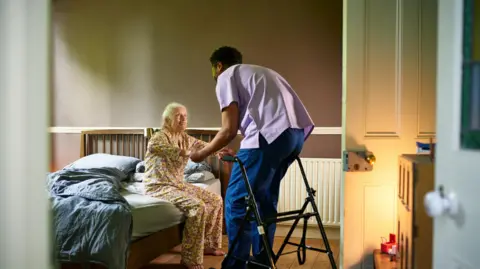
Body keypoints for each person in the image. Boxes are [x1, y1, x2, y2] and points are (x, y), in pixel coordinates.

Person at [189, 46, 315, 269]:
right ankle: (261, 262)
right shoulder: (261, 72)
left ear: (218, 65)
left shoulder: (226, 76)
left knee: (237, 200)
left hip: (269, 137)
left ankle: (235, 266)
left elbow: (228, 130)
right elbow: (267, 122)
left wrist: (200, 154)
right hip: (293, 136)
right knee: (263, 200)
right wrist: (243, 155)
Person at [143, 102, 225, 269]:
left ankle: (207, 245)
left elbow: (205, 147)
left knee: (215, 200)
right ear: (167, 120)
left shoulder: (185, 137)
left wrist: (220, 152)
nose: (183, 119)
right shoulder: (159, 136)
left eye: (185, 116)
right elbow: (155, 147)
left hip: (178, 184)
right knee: (198, 207)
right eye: (178, 116)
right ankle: (190, 258)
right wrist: (184, 152)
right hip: (158, 185)